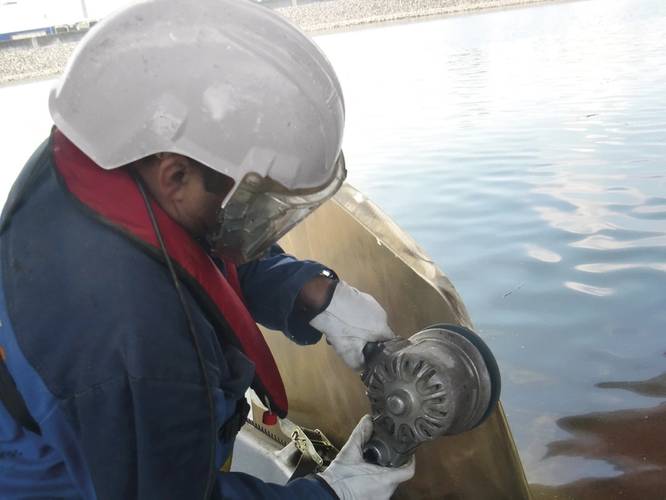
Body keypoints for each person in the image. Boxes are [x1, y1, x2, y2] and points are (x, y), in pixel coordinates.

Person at [0, 0, 416, 499]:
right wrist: (331, 494)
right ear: (176, 174)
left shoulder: (98, 151)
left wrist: (308, 294)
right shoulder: (136, 343)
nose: (257, 221)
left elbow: (199, 239)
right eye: (255, 202)